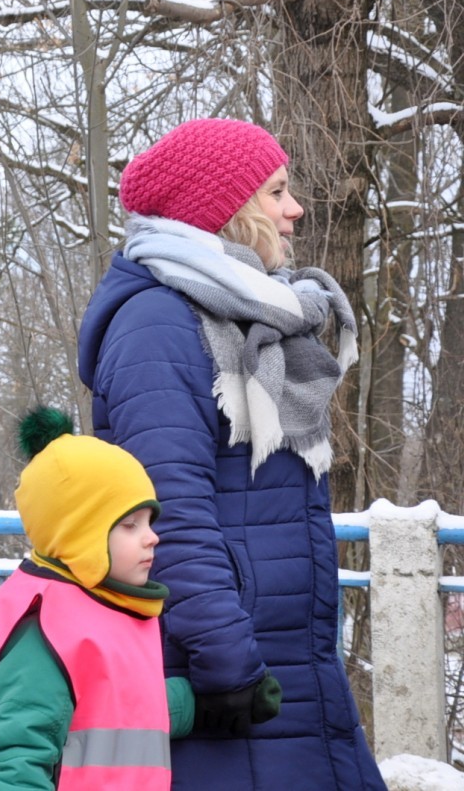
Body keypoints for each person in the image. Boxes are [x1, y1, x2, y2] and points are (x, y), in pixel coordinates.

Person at [76, 118, 384, 790]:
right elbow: (169, 513)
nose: (295, 209)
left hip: (288, 667)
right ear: (227, 210)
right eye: (276, 192)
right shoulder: (157, 325)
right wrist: (227, 665)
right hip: (226, 677)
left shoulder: (243, 314)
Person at [0, 408, 200, 790]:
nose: (151, 537)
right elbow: (17, 769)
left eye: (150, 521)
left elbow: (115, 708)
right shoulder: (43, 630)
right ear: (79, 533)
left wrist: (200, 704)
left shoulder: (100, 604)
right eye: (129, 525)